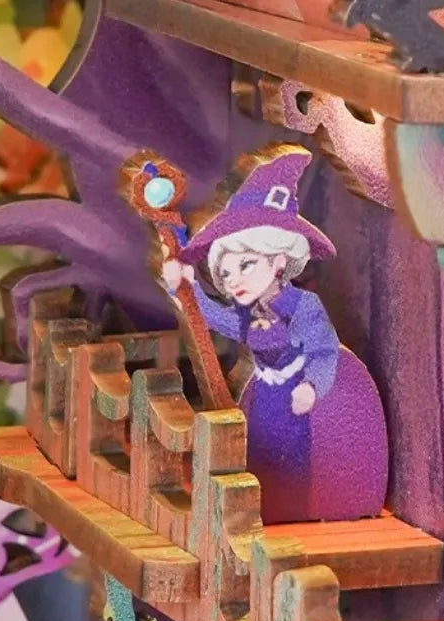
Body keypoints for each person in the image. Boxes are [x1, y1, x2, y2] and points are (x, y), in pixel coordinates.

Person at [163, 147, 388, 525]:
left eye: (246, 265)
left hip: (310, 410)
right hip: (267, 403)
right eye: (226, 273)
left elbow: (323, 351)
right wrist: (186, 289)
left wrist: (313, 387)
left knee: (301, 468)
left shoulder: (303, 307)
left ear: (279, 260)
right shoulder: (250, 314)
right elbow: (220, 319)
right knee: (269, 464)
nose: (235, 281)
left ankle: (308, 503)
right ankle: (275, 504)